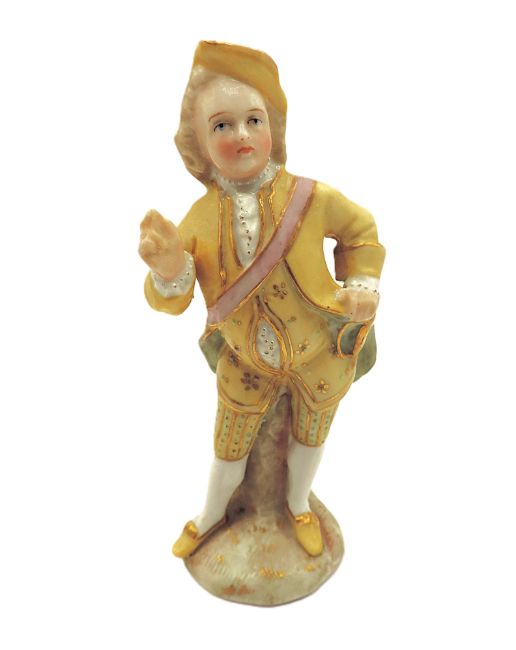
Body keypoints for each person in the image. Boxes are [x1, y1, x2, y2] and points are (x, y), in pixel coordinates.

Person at [139, 41, 385, 559]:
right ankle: (211, 514)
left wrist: (362, 285)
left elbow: (361, 232)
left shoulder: (311, 198)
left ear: (273, 127)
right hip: (244, 360)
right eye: (221, 126)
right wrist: (168, 268)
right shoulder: (200, 218)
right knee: (227, 447)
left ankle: (298, 505)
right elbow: (175, 296)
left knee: (311, 436)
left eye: (253, 120)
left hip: (319, 352)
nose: (241, 135)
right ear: (199, 144)